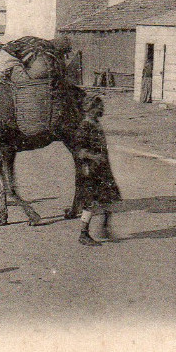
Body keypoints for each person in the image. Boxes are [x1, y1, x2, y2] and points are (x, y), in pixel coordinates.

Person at [73, 95, 122, 245]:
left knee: (108, 199)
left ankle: (104, 227)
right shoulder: (85, 126)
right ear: (90, 109)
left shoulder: (96, 123)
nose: (102, 109)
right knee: (90, 203)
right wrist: (94, 157)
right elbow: (79, 151)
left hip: (102, 169)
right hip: (90, 170)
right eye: (99, 107)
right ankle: (83, 234)